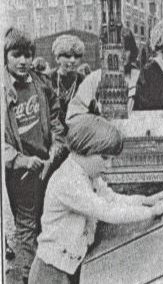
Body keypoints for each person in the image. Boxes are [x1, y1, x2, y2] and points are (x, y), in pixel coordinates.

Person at [28, 114, 163, 284]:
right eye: (104, 158)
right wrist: (152, 212)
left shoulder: (87, 174)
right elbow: (107, 211)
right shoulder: (69, 181)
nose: (109, 165)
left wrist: (147, 200)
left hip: (67, 265)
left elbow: (111, 199)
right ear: (85, 149)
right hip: (50, 272)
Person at [3, 27, 66, 284]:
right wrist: (21, 160)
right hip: (21, 173)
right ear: (5, 56)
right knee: (26, 232)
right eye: (16, 55)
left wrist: (56, 147)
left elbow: (56, 118)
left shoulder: (40, 82)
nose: (23, 61)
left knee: (46, 225)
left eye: (28, 55)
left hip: (47, 167)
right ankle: (19, 278)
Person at [66, 27, 140, 121]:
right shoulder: (93, 79)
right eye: (116, 48)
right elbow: (73, 116)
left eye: (126, 49)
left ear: (132, 50)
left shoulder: (140, 78)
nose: (122, 54)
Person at [49, 34, 85, 131]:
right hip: (53, 132)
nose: (73, 60)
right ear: (57, 58)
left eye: (77, 56)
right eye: (68, 56)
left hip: (77, 132)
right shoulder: (48, 79)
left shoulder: (85, 81)